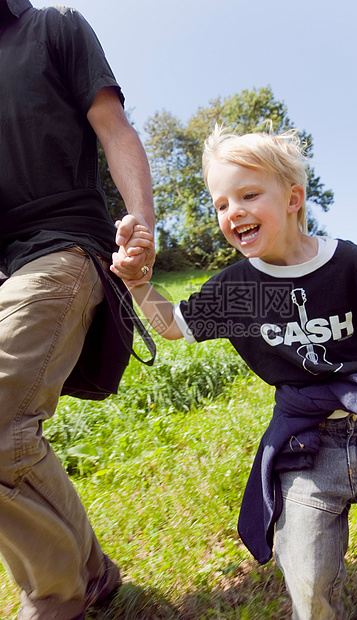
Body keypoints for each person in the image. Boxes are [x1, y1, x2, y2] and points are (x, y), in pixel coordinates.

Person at [112, 124, 357, 619]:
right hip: (306, 446)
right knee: (307, 576)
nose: (233, 213)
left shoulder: (349, 262)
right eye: (221, 204)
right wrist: (140, 281)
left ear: (293, 198)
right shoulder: (238, 290)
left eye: (248, 195)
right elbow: (170, 326)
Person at [0, 1, 155, 618]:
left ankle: (54, 597)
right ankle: (91, 573)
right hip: (6, 266)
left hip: (63, 247)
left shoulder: (53, 28)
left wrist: (141, 221)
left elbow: (113, 127)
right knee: (10, 433)